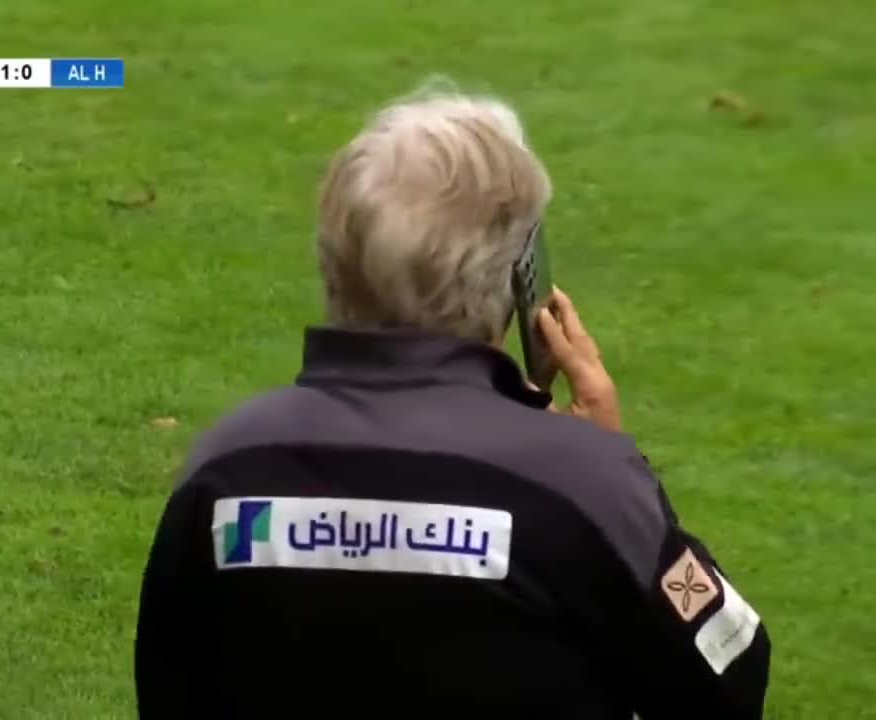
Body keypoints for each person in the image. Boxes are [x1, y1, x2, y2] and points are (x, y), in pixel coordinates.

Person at [134, 89, 771, 718]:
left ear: (334, 259)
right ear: (513, 276)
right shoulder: (582, 483)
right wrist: (621, 474)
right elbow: (729, 680)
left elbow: (170, 689)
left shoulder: (230, 462)